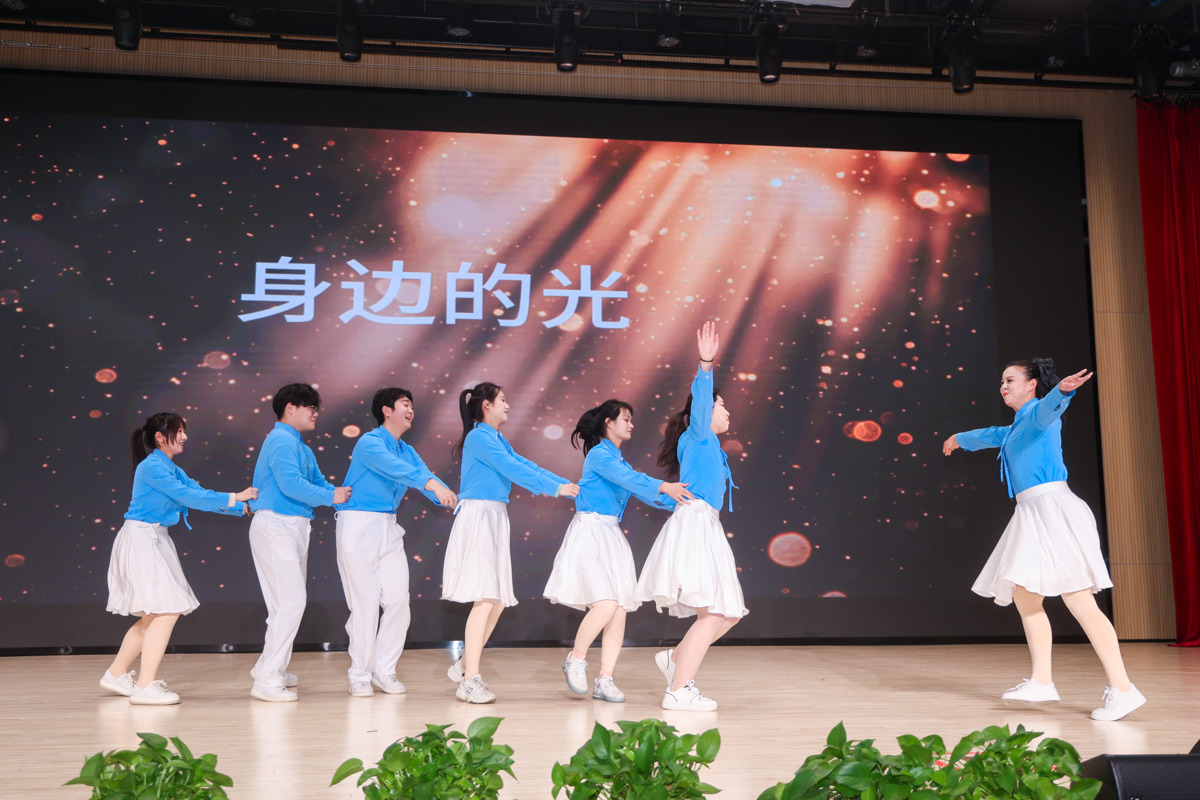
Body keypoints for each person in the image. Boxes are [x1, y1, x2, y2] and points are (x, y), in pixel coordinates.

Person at [943, 358, 1145, 721]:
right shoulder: (1017, 426)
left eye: (1010, 380)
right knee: (1026, 596)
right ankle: (1041, 681)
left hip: (1053, 509)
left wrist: (1062, 392)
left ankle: (1124, 689)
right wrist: (959, 439)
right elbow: (992, 434)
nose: (1004, 386)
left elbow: (1049, 409)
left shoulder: (1037, 414)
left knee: (1079, 601)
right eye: (1001, 382)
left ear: (1032, 384)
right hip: (1032, 512)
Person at [102, 413, 257, 705]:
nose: (185, 436)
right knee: (166, 609)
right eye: (179, 431)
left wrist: (244, 508)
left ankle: (115, 674)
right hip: (142, 539)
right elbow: (189, 497)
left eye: (185, 430)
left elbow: (199, 494)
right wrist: (236, 496)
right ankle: (145, 687)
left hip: (154, 539)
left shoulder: (171, 468)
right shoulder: (152, 467)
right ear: (160, 437)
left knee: (152, 615)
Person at [544, 400, 693, 703]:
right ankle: (576, 659)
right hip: (590, 532)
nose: (631, 424)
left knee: (620, 608)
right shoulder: (599, 455)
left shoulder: (619, 460)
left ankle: (605, 679)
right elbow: (632, 480)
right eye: (626, 418)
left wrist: (684, 501)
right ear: (608, 423)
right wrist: (665, 486)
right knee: (606, 604)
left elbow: (640, 489)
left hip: (610, 535)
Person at [443, 382, 580, 703]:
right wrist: (555, 489)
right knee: (485, 598)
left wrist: (564, 483)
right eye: (502, 400)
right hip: (479, 516)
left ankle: (464, 666)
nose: (507, 405)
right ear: (486, 405)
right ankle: (469, 680)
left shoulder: (496, 438)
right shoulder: (478, 437)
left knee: (497, 600)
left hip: (493, 516)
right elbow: (512, 468)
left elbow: (526, 465)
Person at [636, 321, 746, 712]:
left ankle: (675, 660)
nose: (727, 411)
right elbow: (699, 401)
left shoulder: (709, 444)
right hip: (697, 525)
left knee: (728, 613)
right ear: (705, 411)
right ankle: (678, 690)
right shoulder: (698, 435)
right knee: (714, 611)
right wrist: (705, 364)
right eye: (722, 405)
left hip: (705, 525)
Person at [335, 387, 458, 698]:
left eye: (412, 405)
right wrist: (432, 485)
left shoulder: (407, 450)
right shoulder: (369, 442)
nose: (411, 410)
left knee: (398, 601)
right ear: (386, 411)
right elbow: (399, 470)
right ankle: (359, 674)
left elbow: (424, 476)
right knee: (364, 604)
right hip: (358, 524)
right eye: (405, 404)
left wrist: (452, 498)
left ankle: (384, 670)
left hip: (388, 527)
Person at [248, 383, 352, 702]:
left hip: (292, 527)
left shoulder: (299, 445)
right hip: (277, 526)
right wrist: (331, 496)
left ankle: (269, 667)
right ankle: (267, 681)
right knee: (290, 603)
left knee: (283, 605)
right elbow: (291, 485)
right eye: (310, 407)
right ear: (290, 407)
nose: (315, 413)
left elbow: (318, 483)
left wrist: (344, 494)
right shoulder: (281, 440)